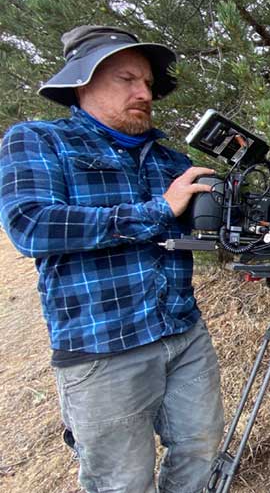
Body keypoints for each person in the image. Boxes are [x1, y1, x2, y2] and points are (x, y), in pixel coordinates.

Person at [0, 26, 223, 492]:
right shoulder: (40, 141)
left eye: (147, 83)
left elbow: (202, 234)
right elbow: (30, 224)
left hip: (183, 334)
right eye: (127, 79)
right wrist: (159, 210)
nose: (144, 93)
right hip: (103, 349)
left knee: (200, 448)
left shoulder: (169, 161)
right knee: (123, 482)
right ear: (84, 81)